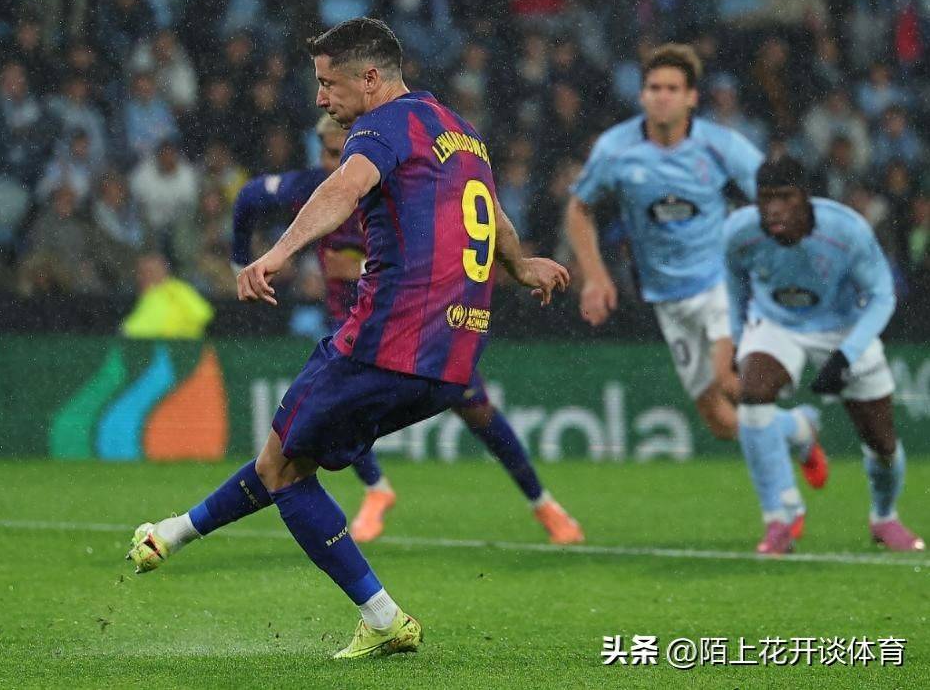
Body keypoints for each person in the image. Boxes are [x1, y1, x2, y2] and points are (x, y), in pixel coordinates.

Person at [127, 17, 568, 658]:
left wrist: (276, 253)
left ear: (370, 78)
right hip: (455, 357)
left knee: (282, 469)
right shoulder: (460, 131)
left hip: (386, 340)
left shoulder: (381, 126)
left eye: (327, 83)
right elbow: (495, 218)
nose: (320, 98)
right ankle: (171, 534)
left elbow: (345, 185)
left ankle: (382, 617)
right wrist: (521, 266)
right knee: (286, 461)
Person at [232, 112, 583, 545]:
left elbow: (434, 251)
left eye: (339, 153)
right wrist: (239, 261)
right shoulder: (315, 189)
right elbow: (249, 197)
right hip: (355, 327)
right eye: (325, 152)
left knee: (477, 411)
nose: (331, 163)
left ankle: (542, 502)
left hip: (422, 326)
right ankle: (376, 489)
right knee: (328, 412)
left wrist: (359, 267)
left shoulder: (406, 185)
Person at [564, 44, 825, 490]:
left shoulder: (721, 146)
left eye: (672, 88)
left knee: (729, 380)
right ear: (642, 95)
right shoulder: (616, 150)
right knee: (720, 421)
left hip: (721, 283)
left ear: (691, 98)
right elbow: (578, 208)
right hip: (667, 297)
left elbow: (775, 196)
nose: (661, 96)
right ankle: (799, 428)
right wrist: (595, 276)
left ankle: (782, 505)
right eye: (653, 88)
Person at [724, 157, 924, 555]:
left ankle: (884, 518)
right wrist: (737, 340)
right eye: (765, 199)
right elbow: (734, 284)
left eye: (784, 198)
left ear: (805, 198)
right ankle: (779, 519)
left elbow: (882, 295)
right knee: (752, 394)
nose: (774, 209)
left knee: (882, 443)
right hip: (777, 322)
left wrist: (846, 355)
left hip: (844, 328)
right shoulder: (739, 232)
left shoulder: (846, 231)